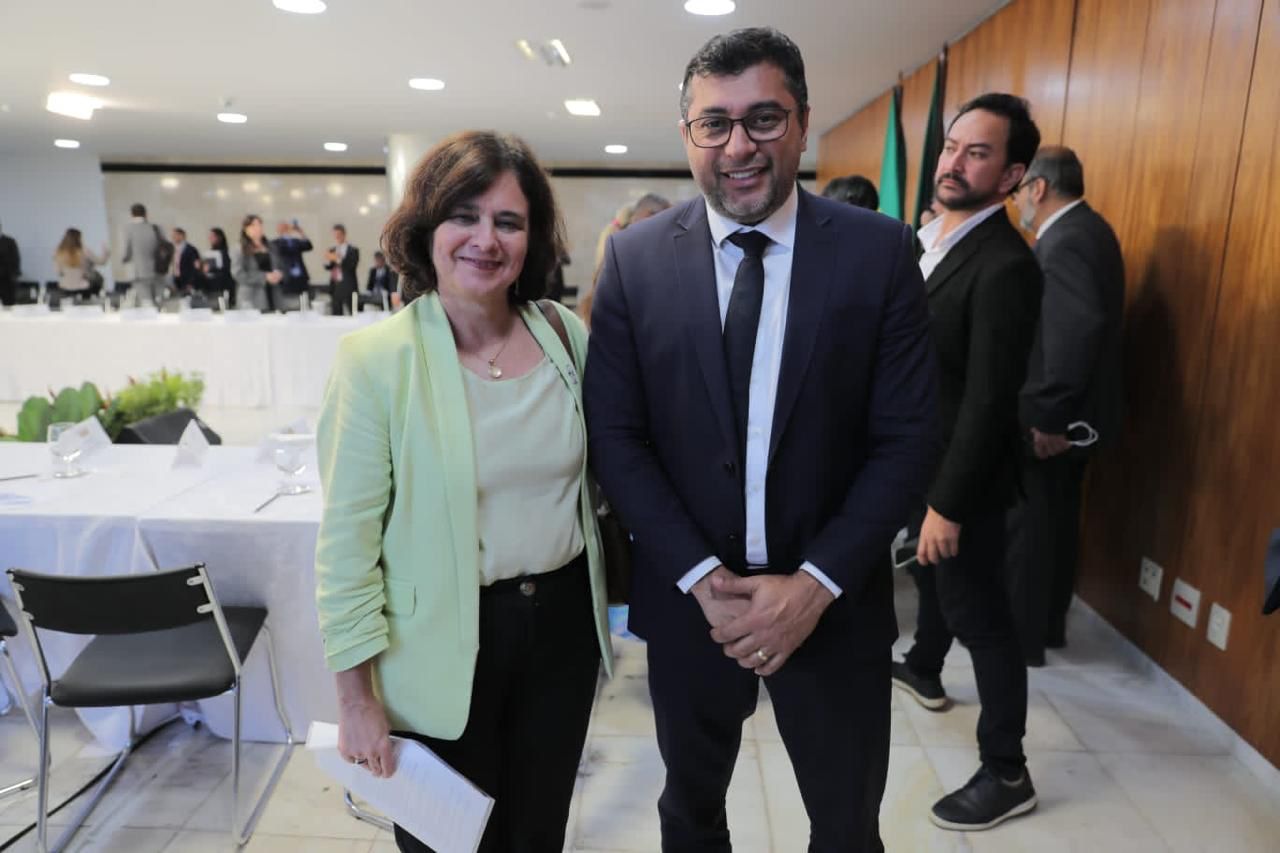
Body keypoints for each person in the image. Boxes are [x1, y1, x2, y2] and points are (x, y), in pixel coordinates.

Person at [584, 27, 939, 851]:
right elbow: (616, 435)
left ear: (802, 122)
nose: (739, 145)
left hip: (834, 606)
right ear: (687, 135)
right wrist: (701, 577)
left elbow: (908, 436)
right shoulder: (635, 260)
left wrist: (811, 587)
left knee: (847, 826)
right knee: (689, 813)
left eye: (764, 118)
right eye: (715, 123)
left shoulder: (879, 251)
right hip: (691, 609)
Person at [315, 130, 614, 853]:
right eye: (464, 216)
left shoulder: (564, 337)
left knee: (538, 833)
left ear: (532, 239)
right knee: (447, 844)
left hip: (562, 631)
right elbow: (347, 547)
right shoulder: (376, 360)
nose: (486, 239)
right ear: (427, 230)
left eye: (509, 221)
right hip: (437, 644)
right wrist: (356, 698)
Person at [893, 92, 1043, 831]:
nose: (953, 162)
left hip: (963, 482)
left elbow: (988, 400)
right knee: (938, 592)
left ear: (1012, 176)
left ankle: (1007, 769)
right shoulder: (930, 240)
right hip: (915, 464)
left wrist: (946, 506)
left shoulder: (1006, 264)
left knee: (982, 620)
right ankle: (923, 668)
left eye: (977, 153)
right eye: (952, 147)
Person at [1009, 145, 1125, 662]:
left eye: (1019, 191)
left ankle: (1024, 638)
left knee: (1034, 529)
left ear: (1038, 187)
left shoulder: (1068, 240)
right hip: (1075, 415)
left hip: (1060, 421)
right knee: (1053, 524)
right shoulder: (1087, 231)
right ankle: (1045, 628)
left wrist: (1048, 418)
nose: (1018, 202)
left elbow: (1075, 331)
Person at [121, 203, 169, 306]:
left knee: (146, 302)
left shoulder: (128, 229)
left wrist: (124, 259)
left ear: (132, 214)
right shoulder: (156, 228)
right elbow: (166, 247)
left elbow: (126, 252)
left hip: (139, 271)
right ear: (145, 214)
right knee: (160, 301)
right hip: (159, 270)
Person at [236, 214, 282, 311]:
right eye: (253, 225)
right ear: (245, 229)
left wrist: (279, 274)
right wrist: (265, 277)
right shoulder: (239, 249)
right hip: (252, 296)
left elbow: (280, 266)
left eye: (259, 224)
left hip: (273, 293)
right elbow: (238, 274)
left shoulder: (271, 247)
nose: (257, 228)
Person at [53, 228, 109, 298]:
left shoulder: (58, 252)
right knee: (98, 278)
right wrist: (106, 252)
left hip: (64, 287)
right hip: (83, 287)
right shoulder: (85, 251)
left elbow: (58, 272)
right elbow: (101, 262)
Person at [323, 224, 359, 315]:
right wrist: (327, 259)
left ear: (344, 234)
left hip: (348, 286)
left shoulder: (353, 250)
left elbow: (352, 266)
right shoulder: (332, 250)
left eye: (338, 234)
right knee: (336, 313)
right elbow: (328, 267)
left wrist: (337, 259)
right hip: (335, 287)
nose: (337, 237)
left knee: (353, 312)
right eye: (335, 234)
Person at [272, 220, 314, 298]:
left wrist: (300, 232)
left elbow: (309, 246)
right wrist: (286, 237)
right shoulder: (275, 243)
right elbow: (282, 250)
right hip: (287, 279)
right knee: (289, 301)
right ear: (278, 230)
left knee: (304, 299)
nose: (285, 229)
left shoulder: (296, 241)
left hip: (301, 278)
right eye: (282, 228)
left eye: (286, 227)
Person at [204, 227, 235, 305]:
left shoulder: (226, 253)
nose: (210, 238)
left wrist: (211, 269)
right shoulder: (209, 252)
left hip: (223, 286)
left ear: (219, 238)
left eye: (212, 236)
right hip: (211, 287)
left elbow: (227, 269)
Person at [170, 227, 203, 294]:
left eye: (175, 235)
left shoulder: (191, 249)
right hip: (177, 279)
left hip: (187, 281)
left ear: (182, 236)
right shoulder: (174, 249)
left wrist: (191, 282)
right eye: (172, 235)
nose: (173, 237)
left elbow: (196, 267)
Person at [0, 222, 20, 306]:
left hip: (6, 281)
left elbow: (15, 260)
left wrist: (13, 276)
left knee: (8, 306)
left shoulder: (9, 242)